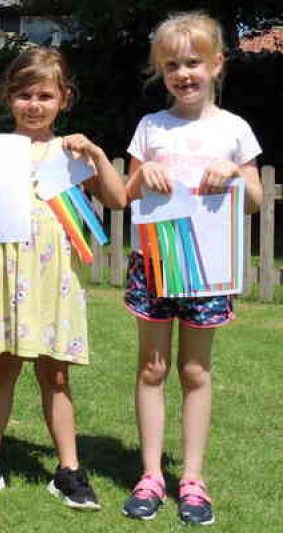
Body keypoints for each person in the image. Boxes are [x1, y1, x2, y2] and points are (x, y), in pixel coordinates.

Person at [0, 47, 126, 509]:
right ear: (9, 98)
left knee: (55, 372)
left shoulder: (72, 152)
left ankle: (69, 471)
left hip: (55, 276)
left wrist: (97, 153)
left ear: (64, 98)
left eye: (44, 95)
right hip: (6, 271)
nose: (34, 104)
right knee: (1, 364)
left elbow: (118, 199)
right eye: (24, 95)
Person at [120, 13, 262, 526]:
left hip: (209, 269)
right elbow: (125, 194)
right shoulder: (150, 129)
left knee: (195, 371)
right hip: (155, 262)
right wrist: (145, 175)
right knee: (153, 369)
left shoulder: (234, 130)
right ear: (161, 70)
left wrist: (233, 174)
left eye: (194, 63)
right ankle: (151, 475)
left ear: (217, 64)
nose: (184, 73)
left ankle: (193, 479)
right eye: (173, 64)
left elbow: (254, 200)